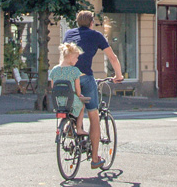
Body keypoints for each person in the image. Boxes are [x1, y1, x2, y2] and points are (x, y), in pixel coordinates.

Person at [62, 10, 123, 170]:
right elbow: (112, 57)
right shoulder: (96, 35)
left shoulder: (68, 34)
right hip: (85, 77)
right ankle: (95, 159)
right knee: (94, 116)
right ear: (91, 23)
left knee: (76, 101)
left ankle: (71, 125)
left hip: (67, 77)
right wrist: (118, 75)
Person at [47, 42, 85, 120]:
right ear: (71, 57)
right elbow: (77, 89)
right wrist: (80, 95)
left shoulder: (54, 70)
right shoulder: (75, 71)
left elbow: (53, 86)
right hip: (71, 101)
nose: (77, 60)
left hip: (58, 102)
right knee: (82, 106)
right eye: (76, 57)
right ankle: (79, 126)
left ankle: (63, 125)